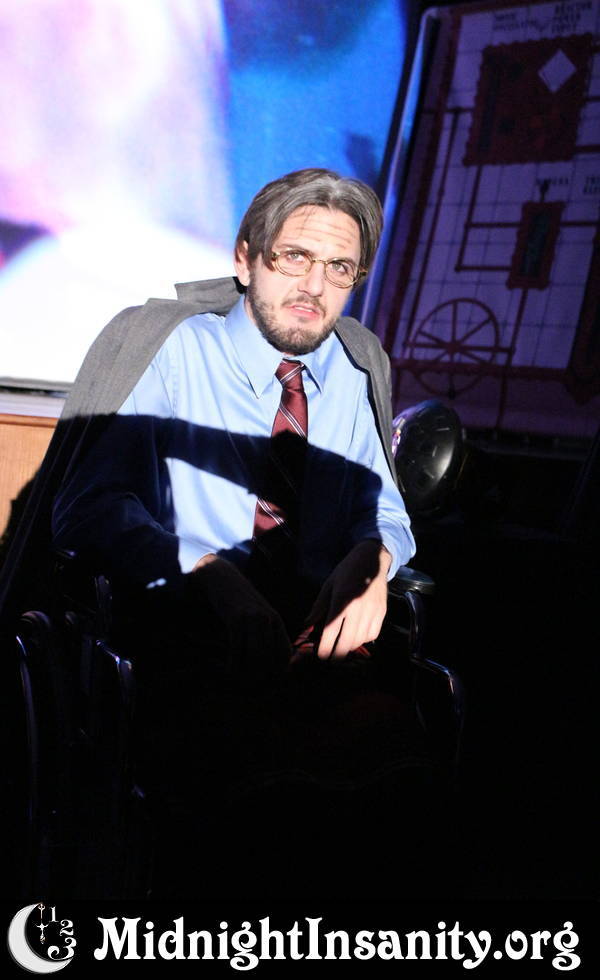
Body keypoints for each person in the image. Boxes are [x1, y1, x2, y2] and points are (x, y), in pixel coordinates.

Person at [15, 169, 422, 898]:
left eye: (340, 269)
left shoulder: (355, 369)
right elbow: (90, 508)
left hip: (311, 652)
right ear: (245, 258)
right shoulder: (171, 350)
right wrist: (211, 574)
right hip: (183, 645)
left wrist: (375, 557)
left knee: (397, 755)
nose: (315, 286)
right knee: (242, 796)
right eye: (294, 257)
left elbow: (385, 505)